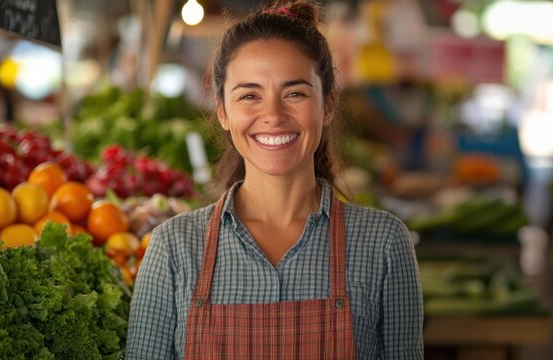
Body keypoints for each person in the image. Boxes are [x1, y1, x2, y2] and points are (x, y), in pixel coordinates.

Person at [126, 1, 423, 358]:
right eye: (250, 95)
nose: (273, 115)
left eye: (294, 93)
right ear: (222, 111)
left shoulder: (384, 243)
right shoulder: (173, 249)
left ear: (327, 105)